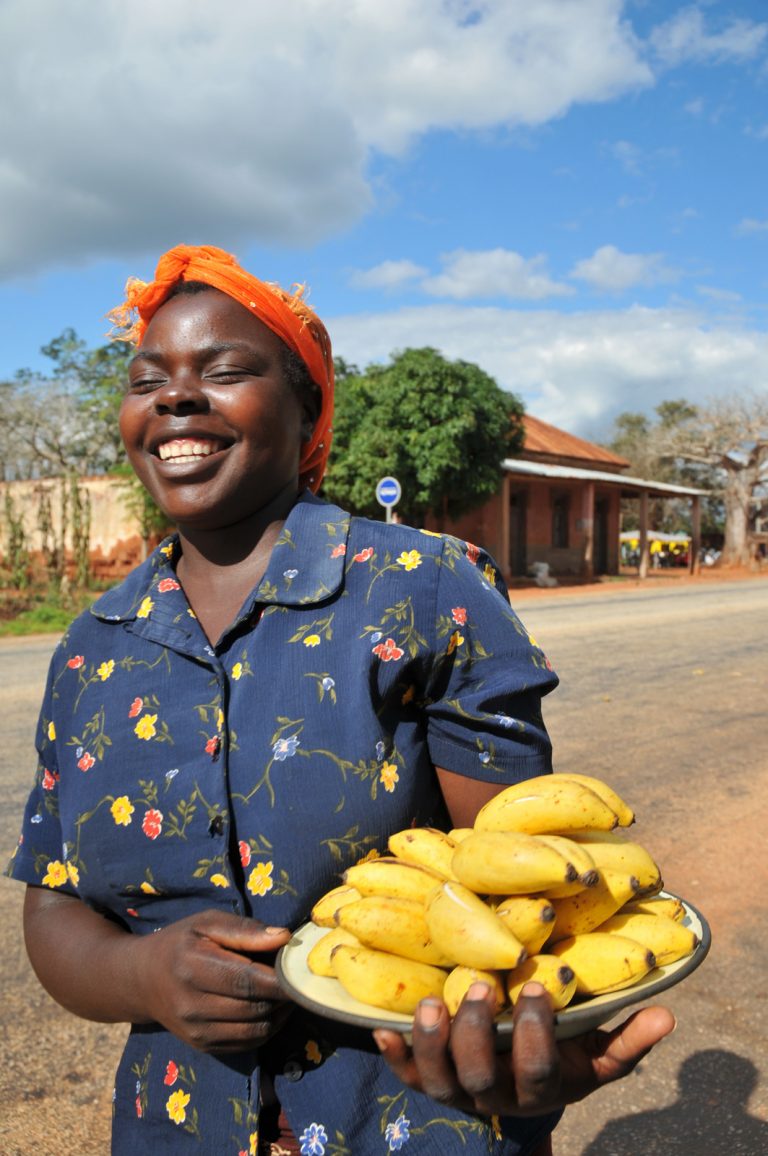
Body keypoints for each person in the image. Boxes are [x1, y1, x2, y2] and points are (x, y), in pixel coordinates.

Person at [6, 244, 675, 1155]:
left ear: (308, 407)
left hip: (415, 1116)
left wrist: (533, 1048)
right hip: (175, 1126)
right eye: (147, 379)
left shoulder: (423, 587)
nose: (174, 397)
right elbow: (53, 906)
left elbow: (526, 887)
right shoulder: (92, 649)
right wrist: (143, 974)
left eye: (225, 370)